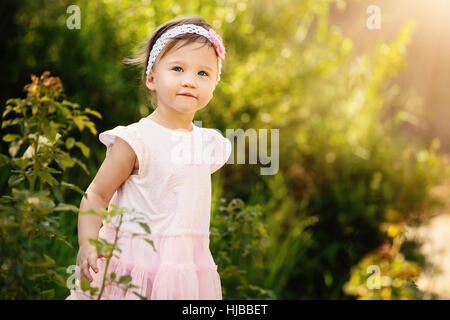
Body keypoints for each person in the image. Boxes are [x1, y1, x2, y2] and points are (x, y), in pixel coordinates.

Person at [66, 14, 231, 300]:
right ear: (152, 78)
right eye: (178, 68)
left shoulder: (209, 144)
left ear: (215, 84)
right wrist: (88, 242)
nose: (190, 81)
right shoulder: (136, 141)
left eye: (203, 73)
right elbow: (96, 193)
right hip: (131, 269)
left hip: (184, 274)